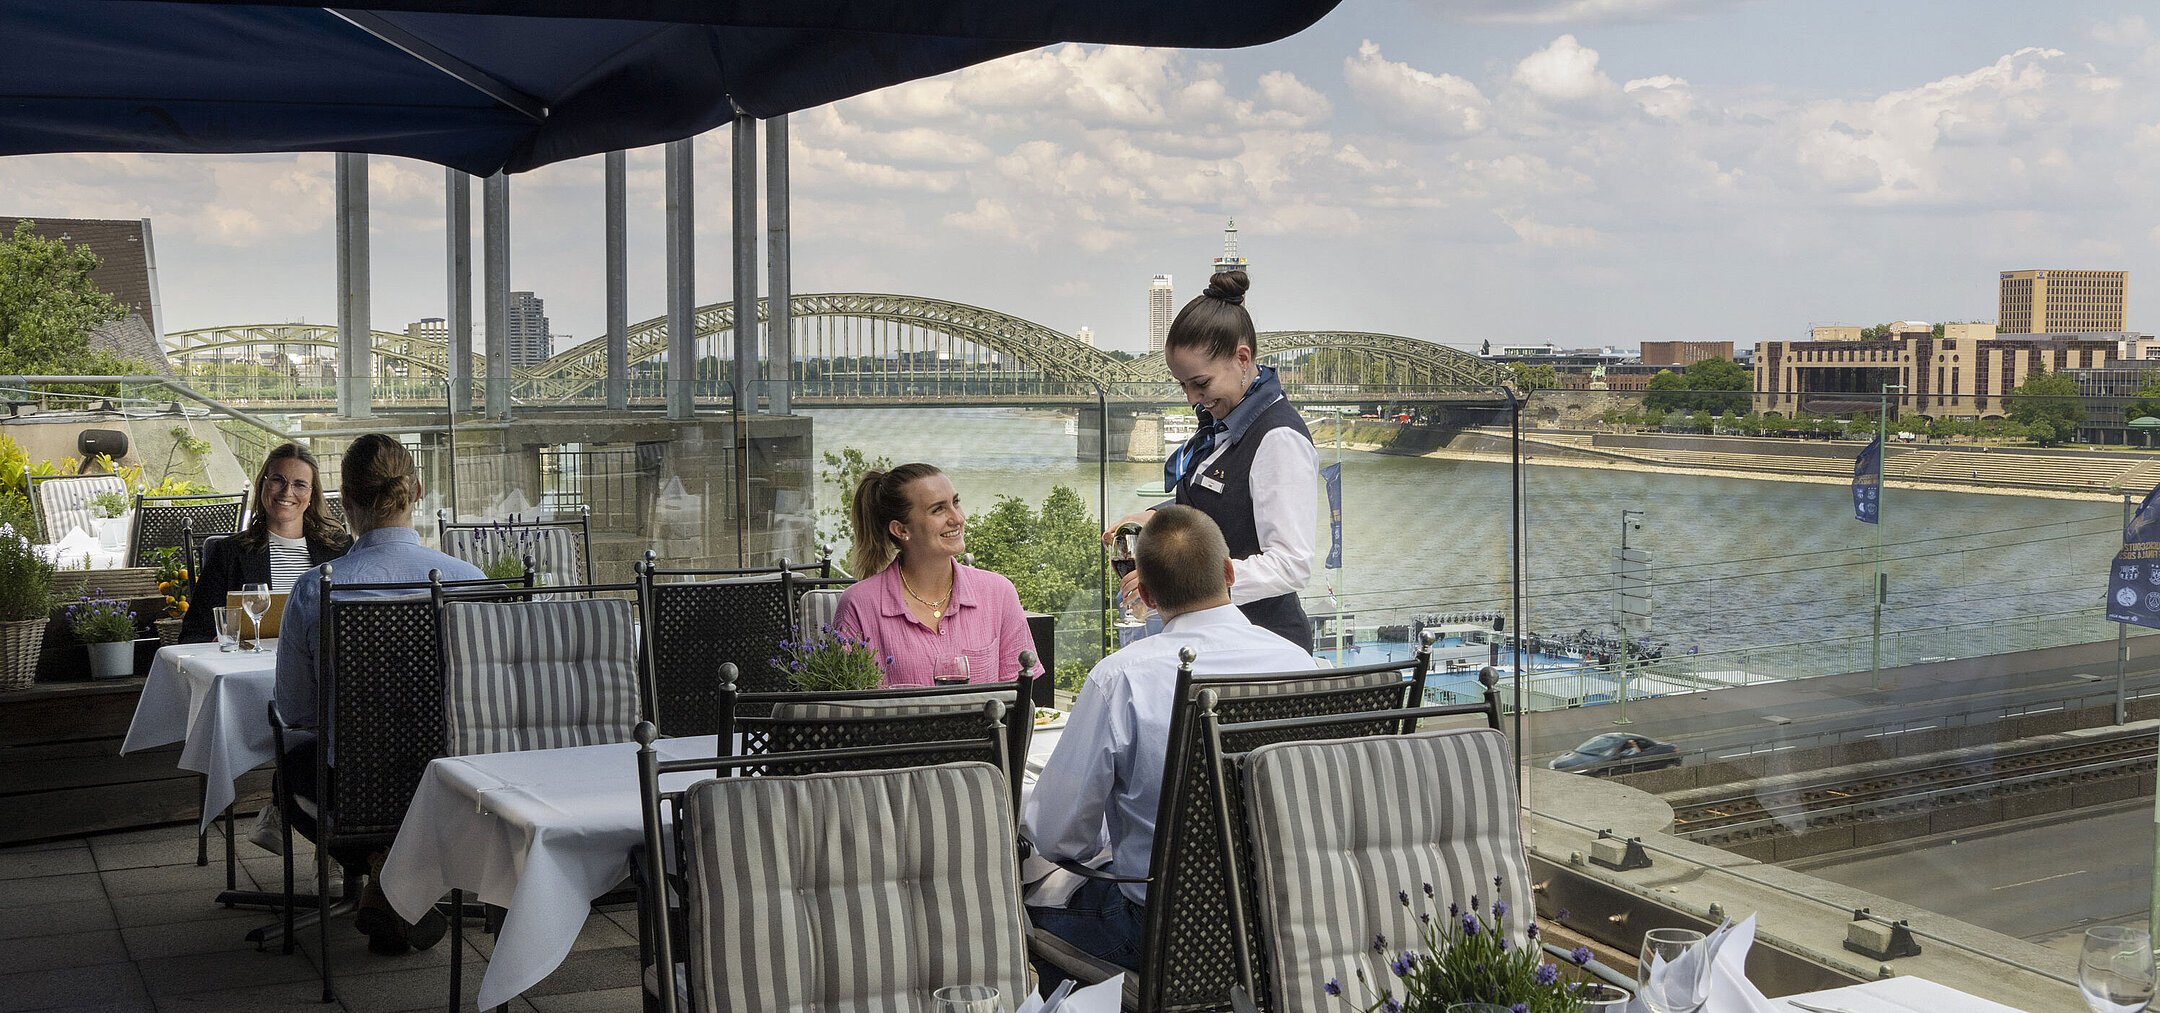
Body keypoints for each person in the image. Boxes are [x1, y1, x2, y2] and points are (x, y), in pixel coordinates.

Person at [1023, 505, 1317, 970]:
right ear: (1229, 572)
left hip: (1162, 938)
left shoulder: (1121, 678)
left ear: (1145, 593)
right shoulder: (1299, 665)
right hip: (1285, 929)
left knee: (1021, 911)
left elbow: (1058, 838)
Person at [272, 433, 482, 955]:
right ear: (417, 491)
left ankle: (381, 868)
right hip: (458, 784)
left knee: (291, 771)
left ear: (344, 501)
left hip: (355, 792)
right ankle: (395, 882)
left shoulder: (318, 587)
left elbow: (296, 711)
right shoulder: (470, 582)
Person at [1106, 270, 1318, 650]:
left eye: (1200, 383)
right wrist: (1154, 516)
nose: (1192, 399)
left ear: (1242, 358)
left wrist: (1181, 583)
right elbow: (1222, 503)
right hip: (1215, 641)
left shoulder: (1278, 439)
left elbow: (1291, 565)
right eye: (1183, 385)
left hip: (1261, 648)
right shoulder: (1225, 422)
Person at [833, 463, 1037, 686]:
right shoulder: (859, 605)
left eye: (955, 502)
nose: (958, 518)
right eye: (938, 509)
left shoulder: (999, 593)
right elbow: (848, 702)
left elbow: (1020, 695)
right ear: (901, 530)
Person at [180, 443, 350, 644]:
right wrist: (217, 643)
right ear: (262, 485)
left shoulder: (340, 551)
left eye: (300, 484)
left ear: (312, 495)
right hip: (249, 662)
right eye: (278, 480)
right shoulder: (228, 553)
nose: (287, 492)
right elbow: (192, 634)